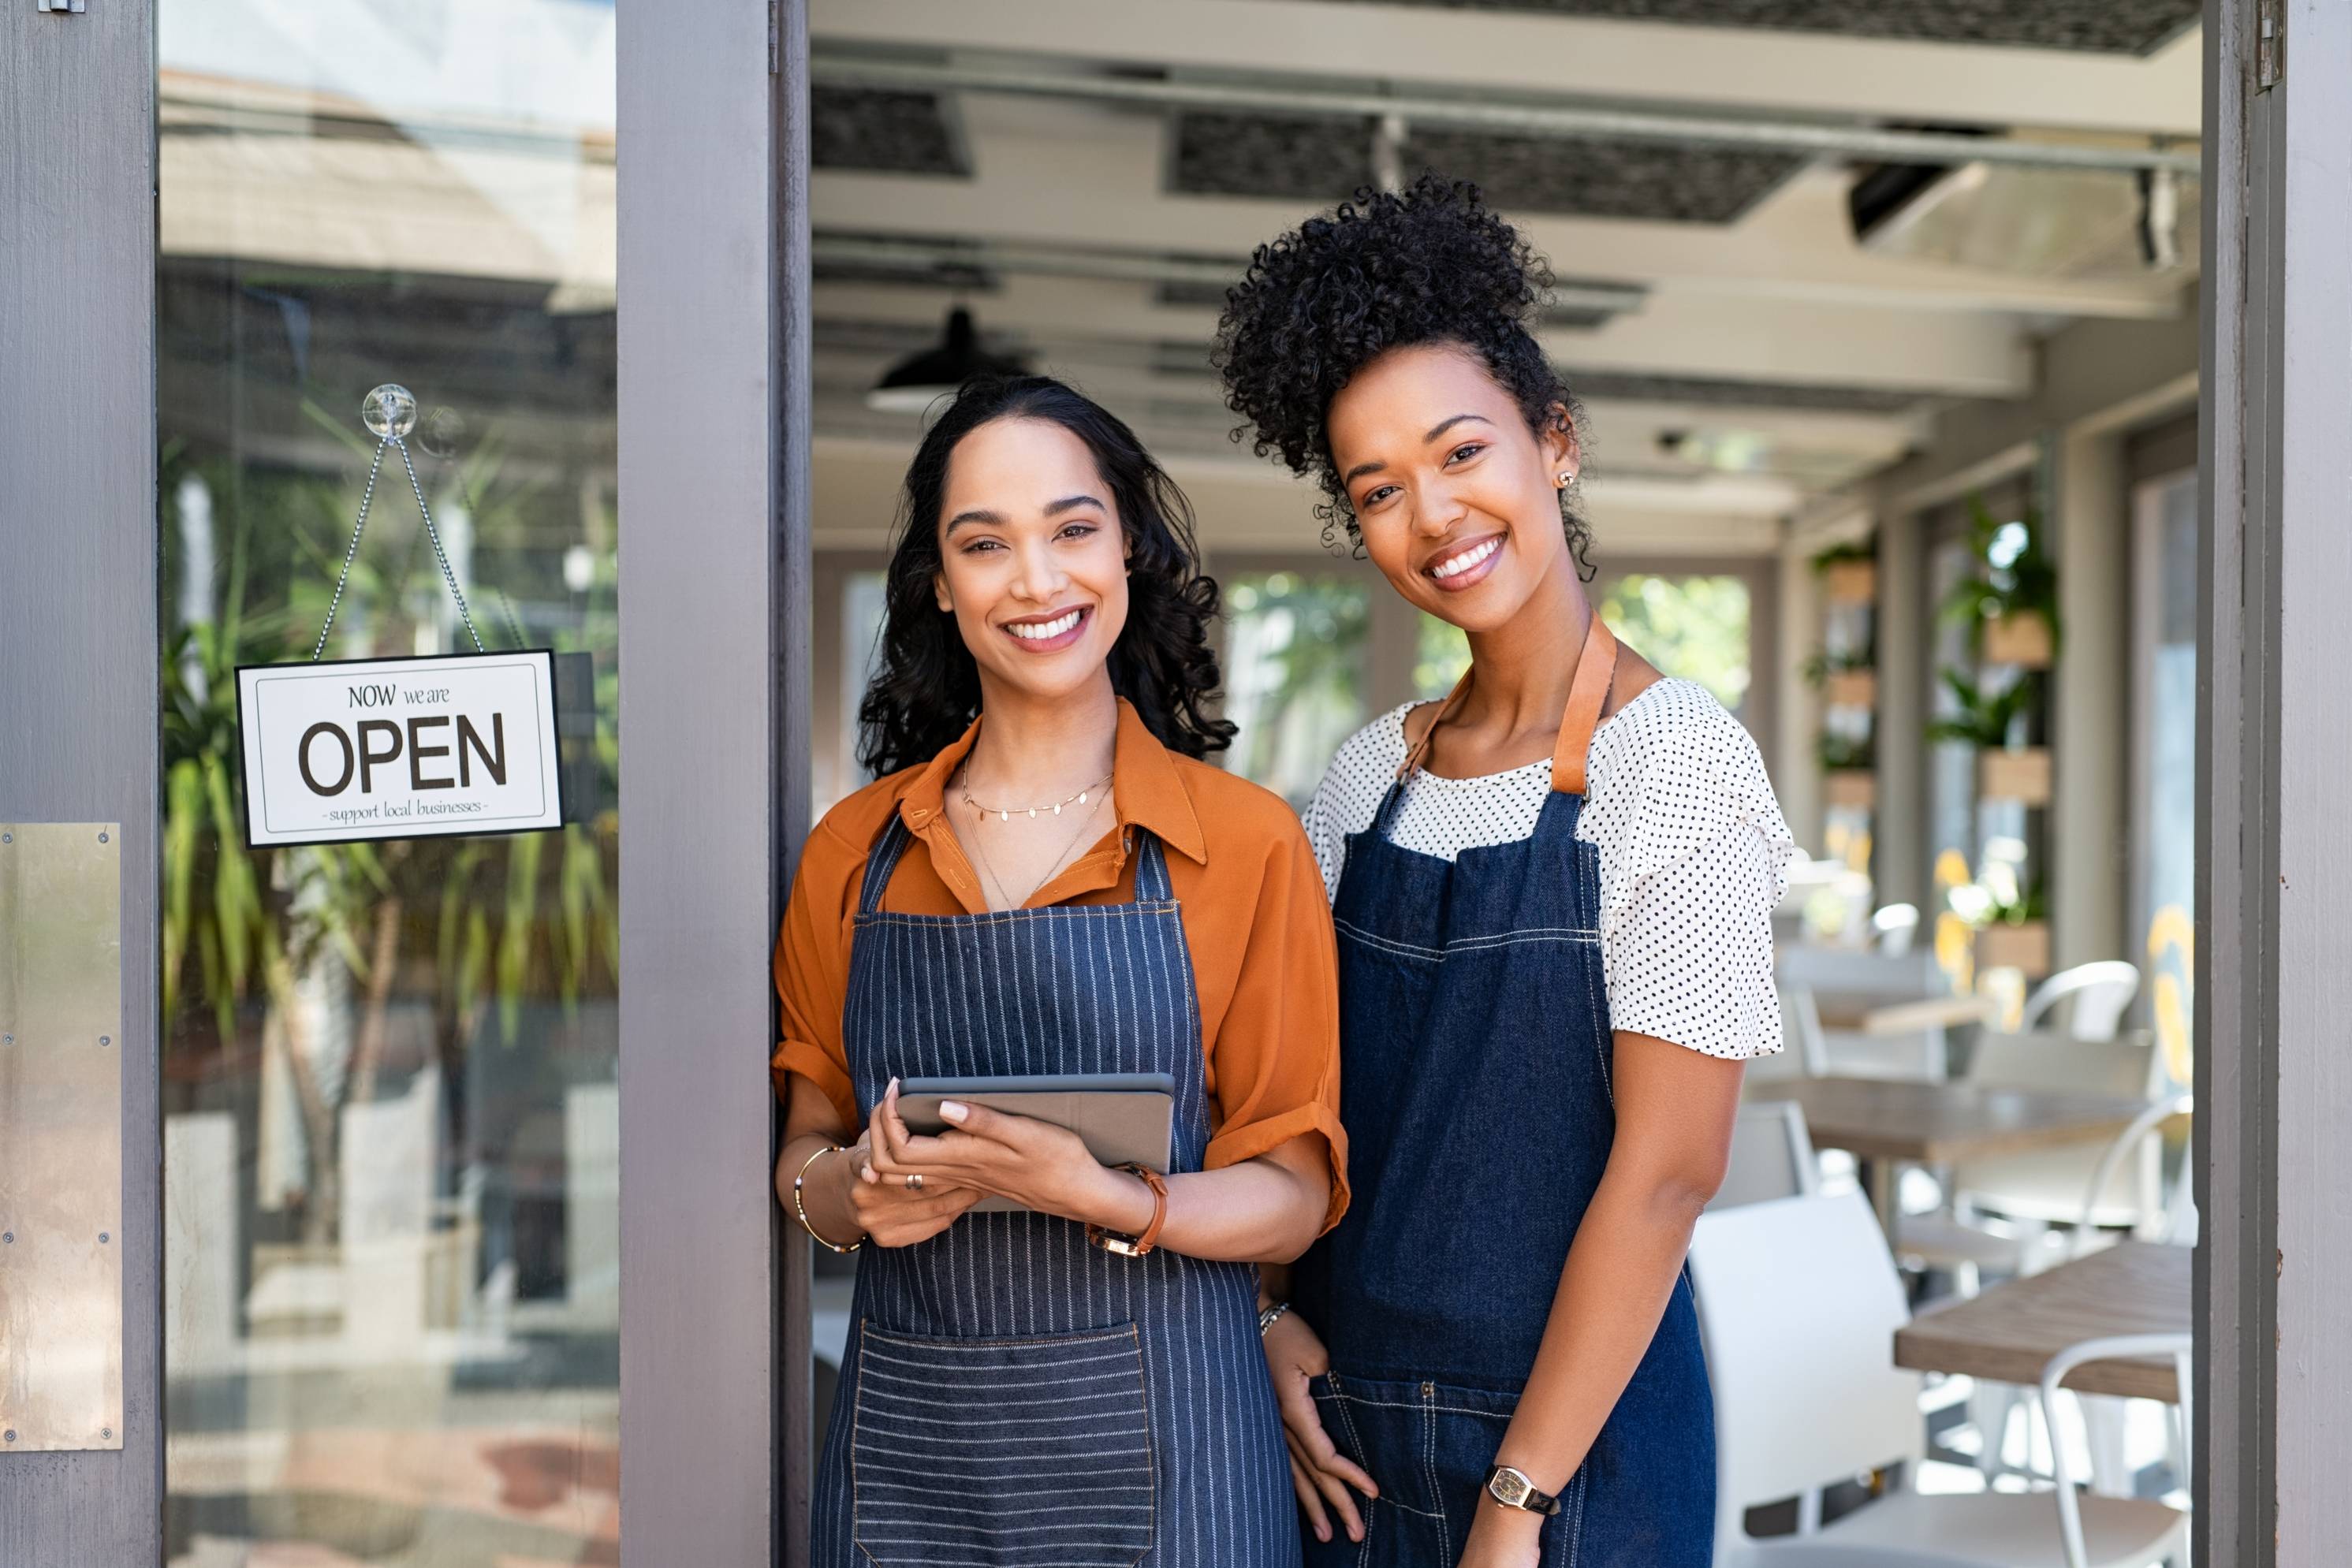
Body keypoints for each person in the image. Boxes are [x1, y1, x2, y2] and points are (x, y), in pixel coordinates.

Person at [1216, 176, 1795, 1568]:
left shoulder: (1680, 767)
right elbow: (1293, 1103)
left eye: (1463, 450)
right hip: (1341, 1447)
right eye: (1379, 489)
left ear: (1557, 443)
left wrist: (1516, 1501)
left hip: (1573, 1462)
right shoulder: (1365, 779)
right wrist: (1270, 1313)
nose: (1434, 513)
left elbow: (1668, 1174)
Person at [772, 374, 1348, 1568]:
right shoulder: (853, 850)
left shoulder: (1241, 843)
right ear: (943, 582)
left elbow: (1294, 1184)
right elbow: (805, 1145)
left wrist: (1111, 1195)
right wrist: (849, 1196)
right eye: (986, 543)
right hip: (911, 1467)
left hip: (1178, 1463)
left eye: (1073, 528)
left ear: (1128, 547)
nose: (1036, 580)